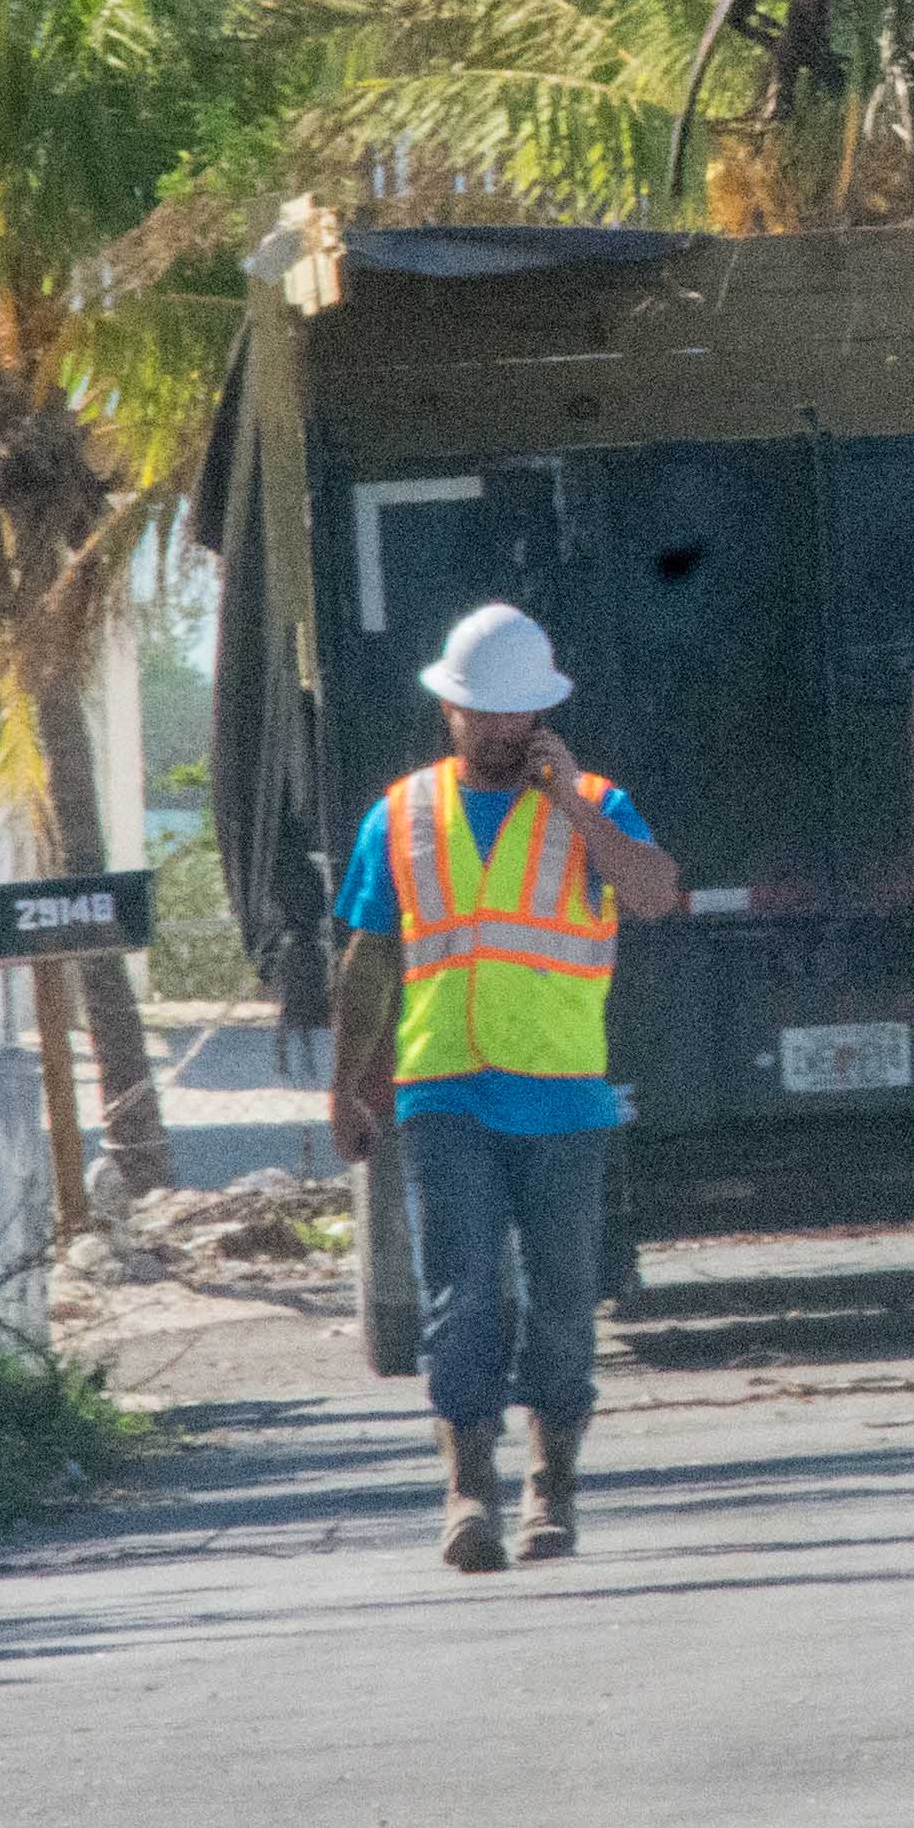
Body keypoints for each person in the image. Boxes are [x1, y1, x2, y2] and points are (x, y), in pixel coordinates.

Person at [327, 600, 681, 1570]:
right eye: (482, 712)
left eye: (516, 713)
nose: (499, 729)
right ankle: (467, 1491)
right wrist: (347, 1084)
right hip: (446, 1089)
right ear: (449, 709)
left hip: (564, 1095)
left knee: (565, 1302)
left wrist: (568, 801)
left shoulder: (596, 805)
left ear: (542, 717)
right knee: (463, 1296)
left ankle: (551, 1489)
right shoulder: (401, 814)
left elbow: (654, 893)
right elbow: (368, 954)